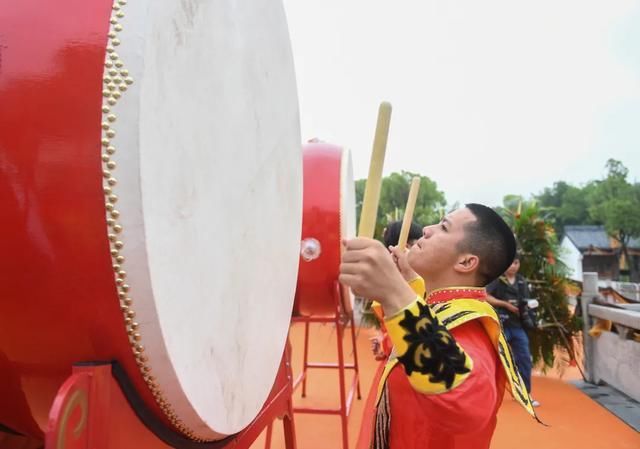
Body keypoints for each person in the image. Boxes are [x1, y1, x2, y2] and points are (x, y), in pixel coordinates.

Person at [340, 204, 538, 449]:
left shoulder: (469, 323)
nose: (426, 229)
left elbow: (468, 401)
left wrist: (395, 293)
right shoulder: (440, 304)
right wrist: (408, 284)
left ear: (466, 262)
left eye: (443, 227)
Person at [486, 255, 540, 407]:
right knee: (493, 360)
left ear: (519, 264)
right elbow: (485, 296)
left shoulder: (522, 282)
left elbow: (528, 302)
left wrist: (526, 308)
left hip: (518, 326)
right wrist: (505, 304)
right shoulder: (497, 279)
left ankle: (525, 394)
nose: (513, 266)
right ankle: (488, 396)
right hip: (500, 324)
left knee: (524, 359)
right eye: (510, 263)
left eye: (516, 263)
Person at [370, 221, 423, 360]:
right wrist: (383, 342)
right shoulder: (387, 286)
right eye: (419, 245)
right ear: (405, 248)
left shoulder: (426, 281)